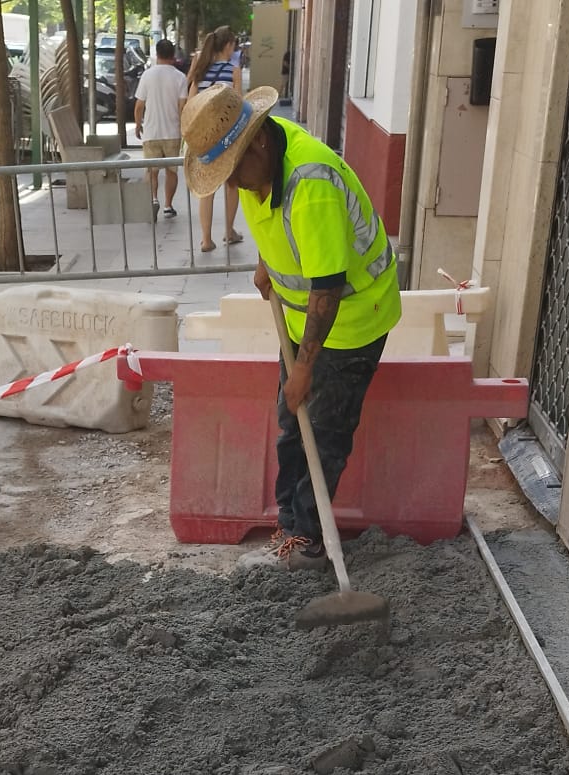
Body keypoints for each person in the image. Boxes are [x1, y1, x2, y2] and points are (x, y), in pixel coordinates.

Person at [182, 83, 401, 569]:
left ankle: (309, 542)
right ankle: (291, 524)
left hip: (353, 316)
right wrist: (267, 261)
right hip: (308, 317)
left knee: (322, 432)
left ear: (256, 142)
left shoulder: (311, 182)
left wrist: (304, 369)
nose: (233, 185)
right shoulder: (265, 162)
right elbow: (277, 222)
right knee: (291, 424)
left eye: (234, 171)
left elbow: (328, 284)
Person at [186, 27, 244, 253]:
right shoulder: (233, 71)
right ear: (228, 45)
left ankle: (206, 239)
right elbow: (239, 104)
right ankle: (229, 231)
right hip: (228, 136)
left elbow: (191, 105)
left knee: (207, 187)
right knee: (232, 185)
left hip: (205, 137)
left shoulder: (201, 72)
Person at [134, 38, 187, 218]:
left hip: (151, 132)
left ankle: (152, 200)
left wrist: (137, 124)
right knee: (171, 171)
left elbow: (139, 105)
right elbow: (182, 107)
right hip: (172, 132)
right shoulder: (180, 77)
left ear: (156, 54)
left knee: (151, 171)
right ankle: (168, 206)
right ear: (173, 55)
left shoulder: (147, 75)